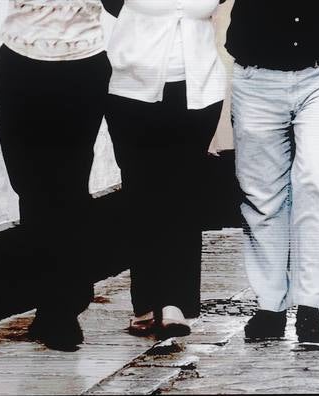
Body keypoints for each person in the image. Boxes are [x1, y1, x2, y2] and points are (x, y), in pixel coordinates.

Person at [0, 0, 113, 351]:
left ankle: (60, 309)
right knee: (30, 185)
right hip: (20, 73)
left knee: (69, 186)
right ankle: (58, 297)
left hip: (82, 73)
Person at [227, 1, 319, 344]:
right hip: (256, 76)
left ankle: (311, 306)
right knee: (261, 195)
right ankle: (270, 305)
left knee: (317, 179)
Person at [106, 0, 227, 339]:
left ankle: (176, 303)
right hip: (130, 90)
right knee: (141, 195)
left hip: (198, 92)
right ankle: (144, 302)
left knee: (184, 195)